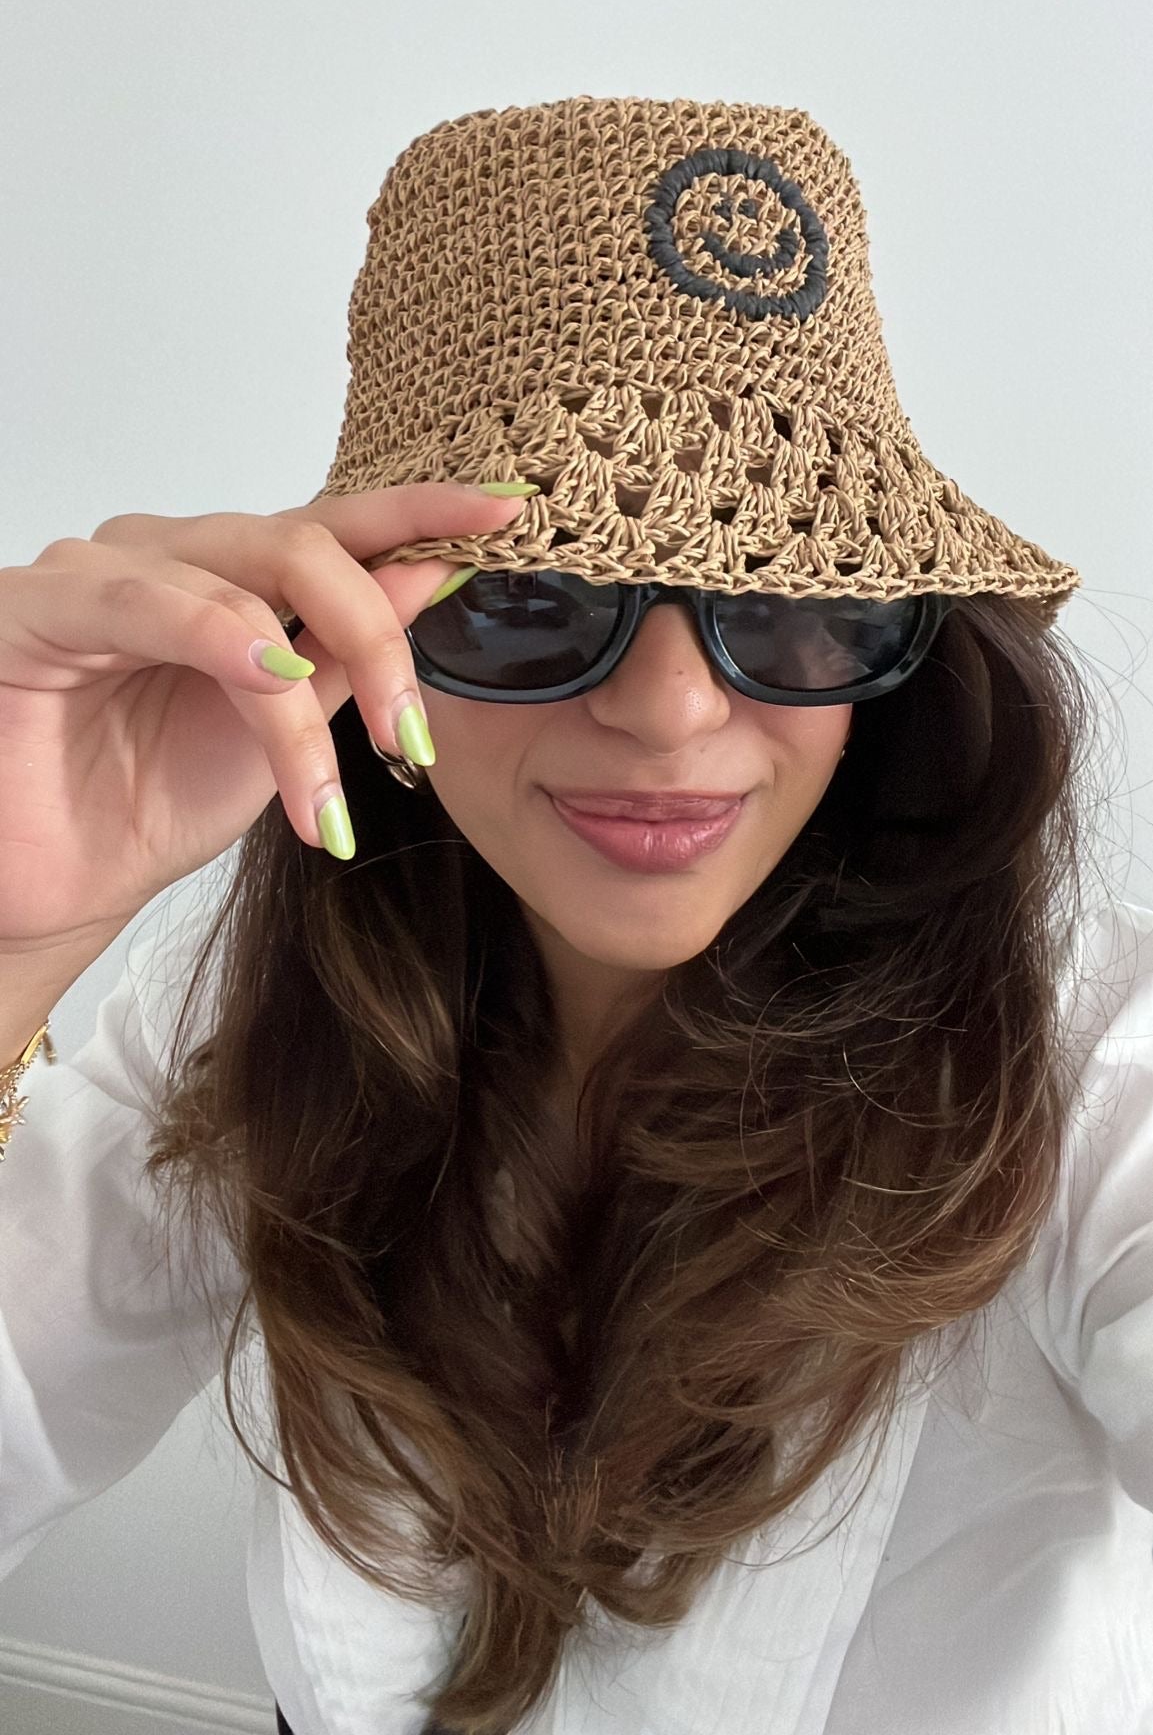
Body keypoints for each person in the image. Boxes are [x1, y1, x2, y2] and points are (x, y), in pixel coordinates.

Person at [0, 96, 1150, 1735]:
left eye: (784, 597)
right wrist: (18, 942)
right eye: (532, 602)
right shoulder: (246, 1025)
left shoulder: (1085, 1076)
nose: (671, 714)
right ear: (355, 629)